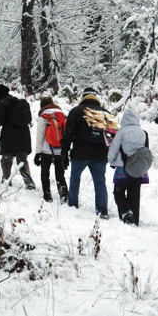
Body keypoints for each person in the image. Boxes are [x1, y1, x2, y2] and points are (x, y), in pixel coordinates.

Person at [60, 87, 109, 218]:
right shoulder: (105, 113)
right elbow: (111, 136)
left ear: (83, 97)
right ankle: (102, 211)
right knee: (100, 182)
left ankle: (72, 206)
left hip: (80, 153)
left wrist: (64, 152)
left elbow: (68, 134)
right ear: (95, 97)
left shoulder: (76, 112)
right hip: (100, 155)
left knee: (75, 179)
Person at [0, 84, 36, 189]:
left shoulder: (1, 104)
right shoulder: (19, 102)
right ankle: (29, 183)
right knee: (22, 160)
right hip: (23, 136)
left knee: (6, 160)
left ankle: (6, 181)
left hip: (9, 136)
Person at [107, 108, 149, 226]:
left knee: (118, 192)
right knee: (134, 195)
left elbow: (114, 148)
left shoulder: (122, 131)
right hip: (139, 170)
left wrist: (111, 160)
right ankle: (134, 220)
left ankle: (126, 213)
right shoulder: (143, 132)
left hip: (123, 168)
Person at [34, 96, 69, 203]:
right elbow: (67, 135)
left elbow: (40, 137)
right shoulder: (63, 115)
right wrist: (66, 152)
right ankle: (64, 195)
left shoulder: (43, 116)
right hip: (60, 150)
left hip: (46, 150)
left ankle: (47, 195)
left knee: (45, 173)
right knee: (60, 174)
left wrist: (37, 153)